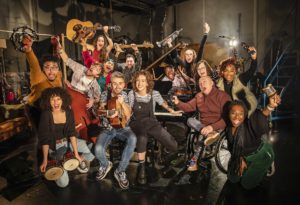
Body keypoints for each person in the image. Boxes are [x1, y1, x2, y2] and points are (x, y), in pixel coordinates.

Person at [128, 70, 180, 184]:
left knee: (174, 145)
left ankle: (163, 159)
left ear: (147, 83)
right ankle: (141, 169)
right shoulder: (131, 94)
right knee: (142, 138)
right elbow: (128, 110)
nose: (140, 83)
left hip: (151, 122)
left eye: (143, 81)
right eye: (137, 81)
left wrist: (171, 110)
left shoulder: (154, 93)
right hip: (136, 122)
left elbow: (163, 103)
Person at [38, 87, 95, 188]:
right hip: (54, 147)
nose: (56, 102)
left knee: (94, 149)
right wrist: (45, 160)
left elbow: (72, 133)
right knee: (63, 184)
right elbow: (45, 139)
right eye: (52, 99)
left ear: (63, 99)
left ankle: (75, 160)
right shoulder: (45, 114)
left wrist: (77, 154)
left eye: (58, 99)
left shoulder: (68, 112)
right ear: (48, 101)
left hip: (68, 142)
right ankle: (61, 162)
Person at [173, 76, 231, 171]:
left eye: (204, 82)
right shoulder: (199, 96)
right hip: (203, 127)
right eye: (200, 83)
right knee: (189, 120)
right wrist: (178, 102)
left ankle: (193, 162)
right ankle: (208, 134)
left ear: (212, 83)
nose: (202, 84)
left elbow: (227, 118)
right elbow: (188, 107)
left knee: (201, 137)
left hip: (219, 126)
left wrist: (212, 127)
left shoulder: (222, 96)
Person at [225, 93, 281, 189]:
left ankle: (265, 167)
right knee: (232, 179)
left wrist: (270, 107)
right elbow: (233, 147)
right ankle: (247, 165)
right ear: (229, 114)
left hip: (261, 155)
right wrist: (240, 158)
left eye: (240, 114)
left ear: (245, 114)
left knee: (246, 185)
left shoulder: (249, 125)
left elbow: (260, 117)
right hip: (244, 155)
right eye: (233, 113)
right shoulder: (228, 129)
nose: (236, 117)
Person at [94, 71, 136, 189]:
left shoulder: (125, 95)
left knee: (132, 138)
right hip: (107, 128)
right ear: (110, 84)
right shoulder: (105, 94)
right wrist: (107, 113)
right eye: (114, 83)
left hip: (123, 128)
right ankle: (106, 164)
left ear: (124, 85)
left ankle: (120, 171)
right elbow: (101, 111)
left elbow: (128, 115)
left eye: (120, 83)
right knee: (98, 149)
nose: (117, 86)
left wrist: (122, 105)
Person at [22, 35, 62, 128]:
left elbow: (57, 57)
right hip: (36, 109)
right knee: (43, 135)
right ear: (43, 69)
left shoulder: (58, 74)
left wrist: (57, 44)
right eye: (47, 67)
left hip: (49, 107)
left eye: (54, 68)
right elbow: (33, 63)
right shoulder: (39, 76)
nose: (51, 71)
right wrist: (28, 49)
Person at [57, 39, 101, 109]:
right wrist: (60, 49)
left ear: (97, 75)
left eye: (97, 69)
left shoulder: (95, 85)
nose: (93, 67)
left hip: (80, 103)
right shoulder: (80, 68)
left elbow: (98, 98)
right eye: (93, 65)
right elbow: (67, 60)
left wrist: (93, 100)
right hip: (68, 97)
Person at [217, 46, 258, 116]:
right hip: (230, 113)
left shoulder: (241, 79)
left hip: (246, 112)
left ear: (235, 71)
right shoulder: (218, 84)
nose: (229, 74)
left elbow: (251, 71)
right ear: (222, 72)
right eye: (226, 71)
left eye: (231, 71)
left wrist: (254, 59)